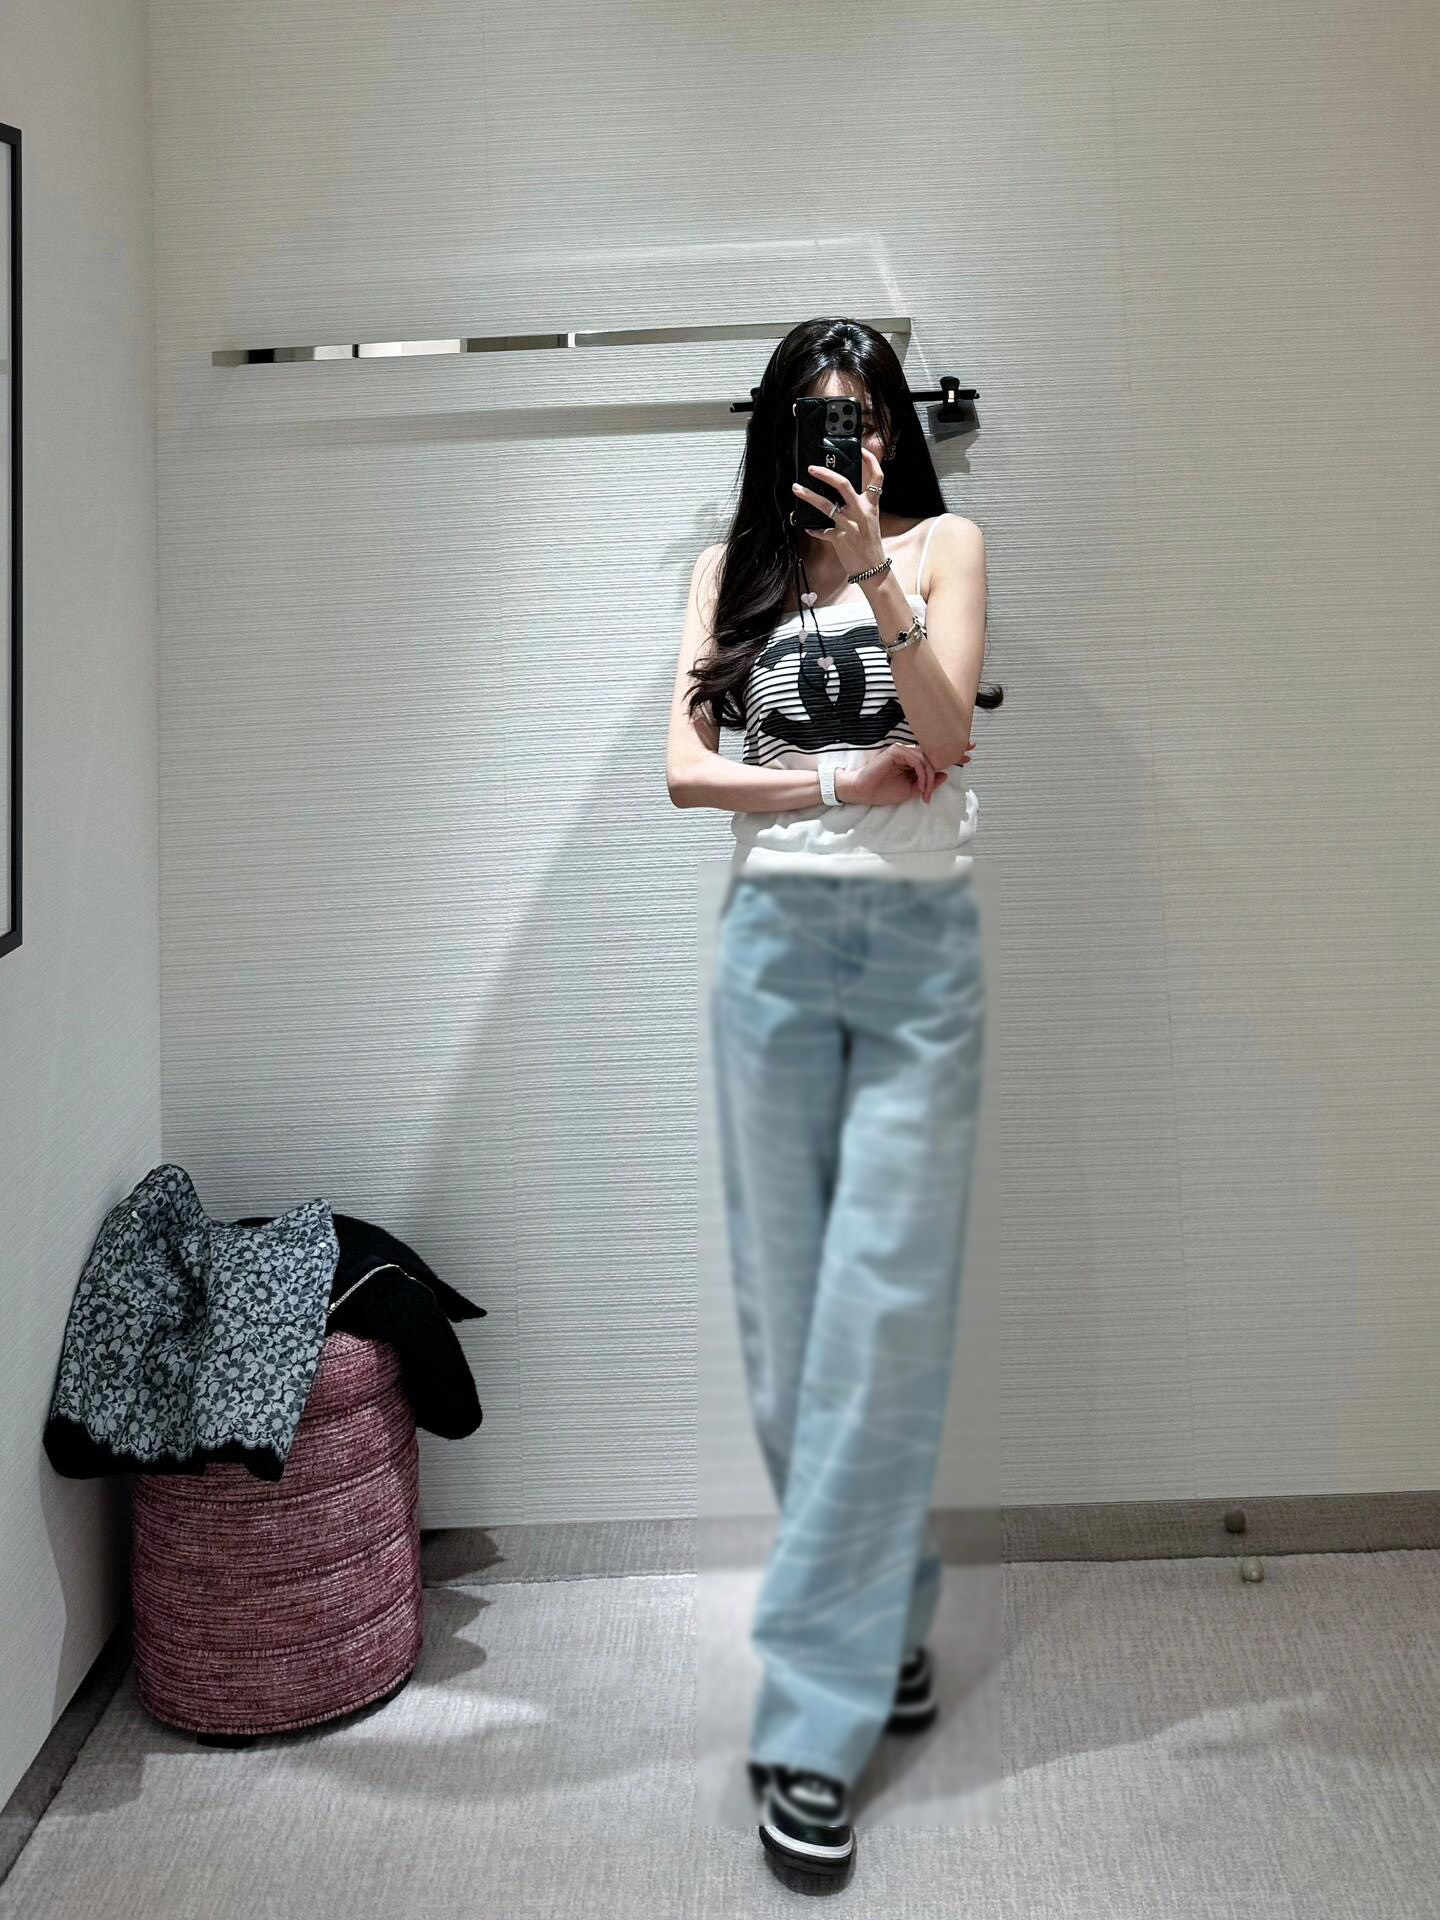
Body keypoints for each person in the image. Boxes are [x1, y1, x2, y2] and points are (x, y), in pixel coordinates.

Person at [666, 316, 1004, 1886]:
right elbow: (684, 773)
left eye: (863, 411)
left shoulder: (944, 547)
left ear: (895, 427)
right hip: (773, 960)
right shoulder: (727, 571)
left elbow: (949, 731)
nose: (843, 433)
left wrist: (875, 571)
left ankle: (813, 1721)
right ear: (775, 431)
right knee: (790, 1334)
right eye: (815, 411)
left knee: (881, 1320)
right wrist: (829, 781)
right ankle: (887, 1614)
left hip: (920, 959)